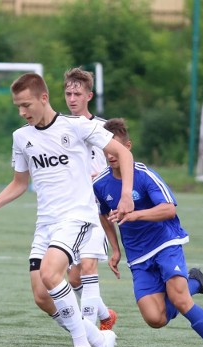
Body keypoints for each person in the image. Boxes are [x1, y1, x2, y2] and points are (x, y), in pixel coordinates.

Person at [0, 73, 135, 347]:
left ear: (43, 98)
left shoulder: (76, 126)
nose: (22, 112)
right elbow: (20, 183)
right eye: (18, 107)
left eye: (26, 105)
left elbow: (123, 154)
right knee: (41, 295)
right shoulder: (22, 137)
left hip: (78, 217)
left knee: (51, 274)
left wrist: (126, 195)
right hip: (46, 222)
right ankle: (99, 339)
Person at [93, 118, 203, 347]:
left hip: (165, 243)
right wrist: (115, 249)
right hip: (138, 256)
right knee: (155, 318)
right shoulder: (101, 183)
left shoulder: (145, 175)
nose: (110, 154)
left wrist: (136, 214)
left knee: (180, 301)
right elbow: (104, 216)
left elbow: (169, 209)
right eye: (106, 149)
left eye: (115, 148)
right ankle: (196, 282)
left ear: (127, 146)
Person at [63, 67, 116, 330]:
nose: (72, 98)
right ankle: (105, 315)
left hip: (96, 211)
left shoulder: (102, 128)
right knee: (72, 280)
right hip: (70, 211)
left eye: (77, 93)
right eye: (68, 93)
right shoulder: (59, 126)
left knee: (88, 266)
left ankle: (90, 335)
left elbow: (118, 165)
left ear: (89, 96)